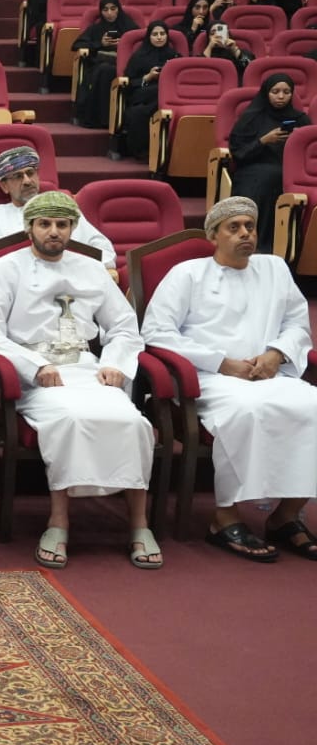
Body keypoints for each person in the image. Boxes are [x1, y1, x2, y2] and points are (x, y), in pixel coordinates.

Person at [0, 191, 160, 571]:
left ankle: (139, 524)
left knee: (132, 421)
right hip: (36, 375)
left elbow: (124, 327)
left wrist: (114, 364)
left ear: (73, 228)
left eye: (62, 224)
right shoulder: (7, 268)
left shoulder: (91, 268)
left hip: (87, 368)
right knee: (70, 419)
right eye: (45, 224)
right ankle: (59, 521)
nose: (54, 231)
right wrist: (36, 365)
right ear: (29, 228)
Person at [140, 196, 317, 563]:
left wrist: (276, 354)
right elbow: (157, 332)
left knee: (312, 406)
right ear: (213, 236)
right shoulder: (188, 274)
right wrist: (221, 363)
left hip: (267, 374)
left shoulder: (274, 269)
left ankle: (286, 516)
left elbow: (297, 324)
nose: (245, 234)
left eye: (249, 226)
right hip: (209, 377)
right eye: (233, 228)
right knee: (246, 409)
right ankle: (225, 518)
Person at [0, 146, 117, 275]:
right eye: (18, 176)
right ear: (4, 186)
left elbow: (105, 252)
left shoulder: (63, 206)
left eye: (30, 173)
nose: (27, 181)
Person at [228, 72, 309, 252]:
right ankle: (258, 244)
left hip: (291, 170)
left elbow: (310, 152)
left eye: (286, 92)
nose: (281, 97)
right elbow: (239, 154)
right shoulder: (251, 117)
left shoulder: (301, 119)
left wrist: (296, 139)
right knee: (266, 179)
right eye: (275, 91)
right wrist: (264, 140)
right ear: (266, 93)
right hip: (254, 168)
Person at [116, 21, 182, 161]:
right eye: (155, 34)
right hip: (143, 93)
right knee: (140, 110)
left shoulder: (175, 56)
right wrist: (148, 77)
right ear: (149, 37)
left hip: (169, 95)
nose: (159, 37)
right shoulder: (138, 56)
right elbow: (128, 83)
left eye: (162, 34)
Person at [72, 0, 138, 129]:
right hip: (100, 64)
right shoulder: (95, 28)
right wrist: (100, 44)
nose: (109, 13)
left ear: (118, 9)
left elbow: (141, 46)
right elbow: (76, 45)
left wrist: (124, 44)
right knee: (105, 70)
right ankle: (103, 119)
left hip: (125, 65)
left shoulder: (129, 26)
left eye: (113, 9)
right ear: (101, 11)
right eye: (105, 10)